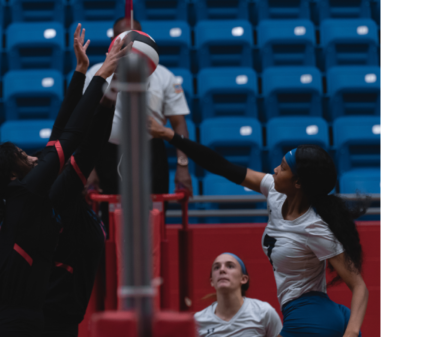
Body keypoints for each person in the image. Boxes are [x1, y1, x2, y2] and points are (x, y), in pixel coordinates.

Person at [0, 26, 130, 337]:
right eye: (22, 155)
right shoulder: (35, 194)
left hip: (31, 323)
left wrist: (84, 73)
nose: (32, 156)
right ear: (13, 175)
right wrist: (103, 78)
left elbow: (59, 136)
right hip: (18, 327)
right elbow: (74, 140)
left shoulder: (31, 195)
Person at [148, 119, 369, 337]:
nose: (275, 169)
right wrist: (170, 136)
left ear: (298, 183)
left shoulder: (314, 228)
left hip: (309, 318)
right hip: (321, 314)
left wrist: (350, 332)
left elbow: (359, 286)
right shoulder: (274, 190)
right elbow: (222, 166)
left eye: (282, 168)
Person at [41, 29, 125, 337]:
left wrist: (80, 71)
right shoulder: (51, 195)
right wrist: (110, 80)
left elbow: (61, 130)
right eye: (28, 159)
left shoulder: (45, 188)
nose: (36, 158)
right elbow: (84, 140)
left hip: (59, 319)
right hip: (48, 324)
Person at [83, 17, 193, 228]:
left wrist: (183, 166)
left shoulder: (164, 76)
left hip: (151, 154)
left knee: (154, 220)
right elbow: (83, 123)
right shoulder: (95, 74)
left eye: (138, 36)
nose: (133, 42)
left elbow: (179, 124)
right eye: (125, 38)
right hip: (106, 154)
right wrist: (89, 169)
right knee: (109, 223)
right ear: (114, 40)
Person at [195, 253, 282, 337]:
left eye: (230, 266)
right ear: (212, 282)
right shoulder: (198, 321)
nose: (222, 270)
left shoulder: (264, 312)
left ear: (243, 279)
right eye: (217, 267)